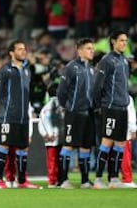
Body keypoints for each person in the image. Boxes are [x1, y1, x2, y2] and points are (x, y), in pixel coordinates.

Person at [0, 40, 39, 189]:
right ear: (11, 53)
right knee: (4, 146)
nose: (23, 51)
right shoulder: (4, 70)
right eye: (19, 49)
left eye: (24, 49)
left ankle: (22, 181)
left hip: (23, 117)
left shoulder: (27, 70)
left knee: (23, 148)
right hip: (7, 115)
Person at [93, 30, 130, 189]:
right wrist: (98, 106)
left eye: (125, 40)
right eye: (121, 40)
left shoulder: (124, 61)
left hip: (123, 106)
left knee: (120, 143)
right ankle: (98, 179)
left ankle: (114, 179)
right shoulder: (106, 60)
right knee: (106, 142)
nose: (124, 43)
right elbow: (97, 85)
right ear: (113, 41)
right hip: (110, 106)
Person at [56, 38, 95, 189]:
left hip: (88, 113)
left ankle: (85, 181)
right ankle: (63, 180)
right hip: (74, 113)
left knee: (86, 146)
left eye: (92, 48)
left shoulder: (91, 69)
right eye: (88, 48)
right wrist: (67, 107)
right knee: (69, 145)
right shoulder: (71, 67)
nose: (92, 51)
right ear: (79, 51)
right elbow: (61, 91)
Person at [38, 83, 64, 188]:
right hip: (61, 138)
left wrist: (46, 135)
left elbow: (41, 123)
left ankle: (52, 181)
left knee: (52, 161)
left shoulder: (45, 108)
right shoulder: (62, 106)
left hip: (50, 140)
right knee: (61, 160)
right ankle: (60, 180)